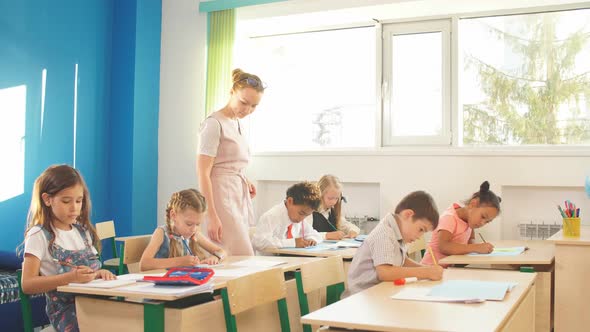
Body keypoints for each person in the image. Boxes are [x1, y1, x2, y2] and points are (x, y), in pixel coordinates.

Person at [21, 165, 115, 332]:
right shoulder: (39, 234)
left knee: (130, 317)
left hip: (95, 302)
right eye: (66, 201)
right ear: (47, 199)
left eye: (79, 201)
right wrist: (70, 277)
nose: (74, 208)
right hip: (67, 311)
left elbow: (89, 272)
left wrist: (99, 274)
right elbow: (27, 284)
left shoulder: (82, 231)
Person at [197, 68, 265, 256]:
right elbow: (203, 172)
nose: (247, 110)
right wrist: (211, 215)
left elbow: (229, 161)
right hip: (220, 197)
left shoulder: (237, 123)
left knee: (236, 257)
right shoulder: (213, 124)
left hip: (236, 194)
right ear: (232, 92)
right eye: (244, 102)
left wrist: (245, 179)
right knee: (242, 255)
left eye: (254, 106)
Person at [343, 191, 443, 297]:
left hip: (379, 293)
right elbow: (385, 272)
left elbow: (402, 261)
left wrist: (427, 269)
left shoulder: (398, 233)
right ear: (407, 215)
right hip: (361, 297)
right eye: (421, 229)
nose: (420, 236)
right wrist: (426, 272)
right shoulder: (384, 233)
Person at [140, 189, 227, 271]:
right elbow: (144, 264)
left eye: (197, 224)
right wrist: (180, 262)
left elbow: (222, 251)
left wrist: (215, 257)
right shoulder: (162, 233)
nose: (193, 229)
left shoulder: (194, 234)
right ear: (173, 215)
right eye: (189, 224)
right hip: (163, 283)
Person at [421, 181, 501, 267]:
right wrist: (476, 248)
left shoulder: (469, 222)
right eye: (483, 217)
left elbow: (471, 240)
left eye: (487, 222)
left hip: (449, 270)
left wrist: (477, 247)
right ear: (473, 204)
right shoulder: (449, 218)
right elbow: (444, 246)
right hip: (431, 269)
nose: (482, 223)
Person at [252, 182, 323, 251]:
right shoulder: (271, 216)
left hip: (292, 260)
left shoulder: (299, 218)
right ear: (290, 201)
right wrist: (292, 243)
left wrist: (311, 239)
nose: (302, 219)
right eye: (301, 213)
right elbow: (258, 242)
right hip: (270, 261)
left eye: (306, 215)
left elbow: (315, 235)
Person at [309, 175, 360, 240]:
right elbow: (306, 235)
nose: (333, 202)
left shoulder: (332, 211)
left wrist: (352, 231)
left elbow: (346, 225)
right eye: (330, 198)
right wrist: (327, 235)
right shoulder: (309, 211)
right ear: (320, 194)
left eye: (336, 198)